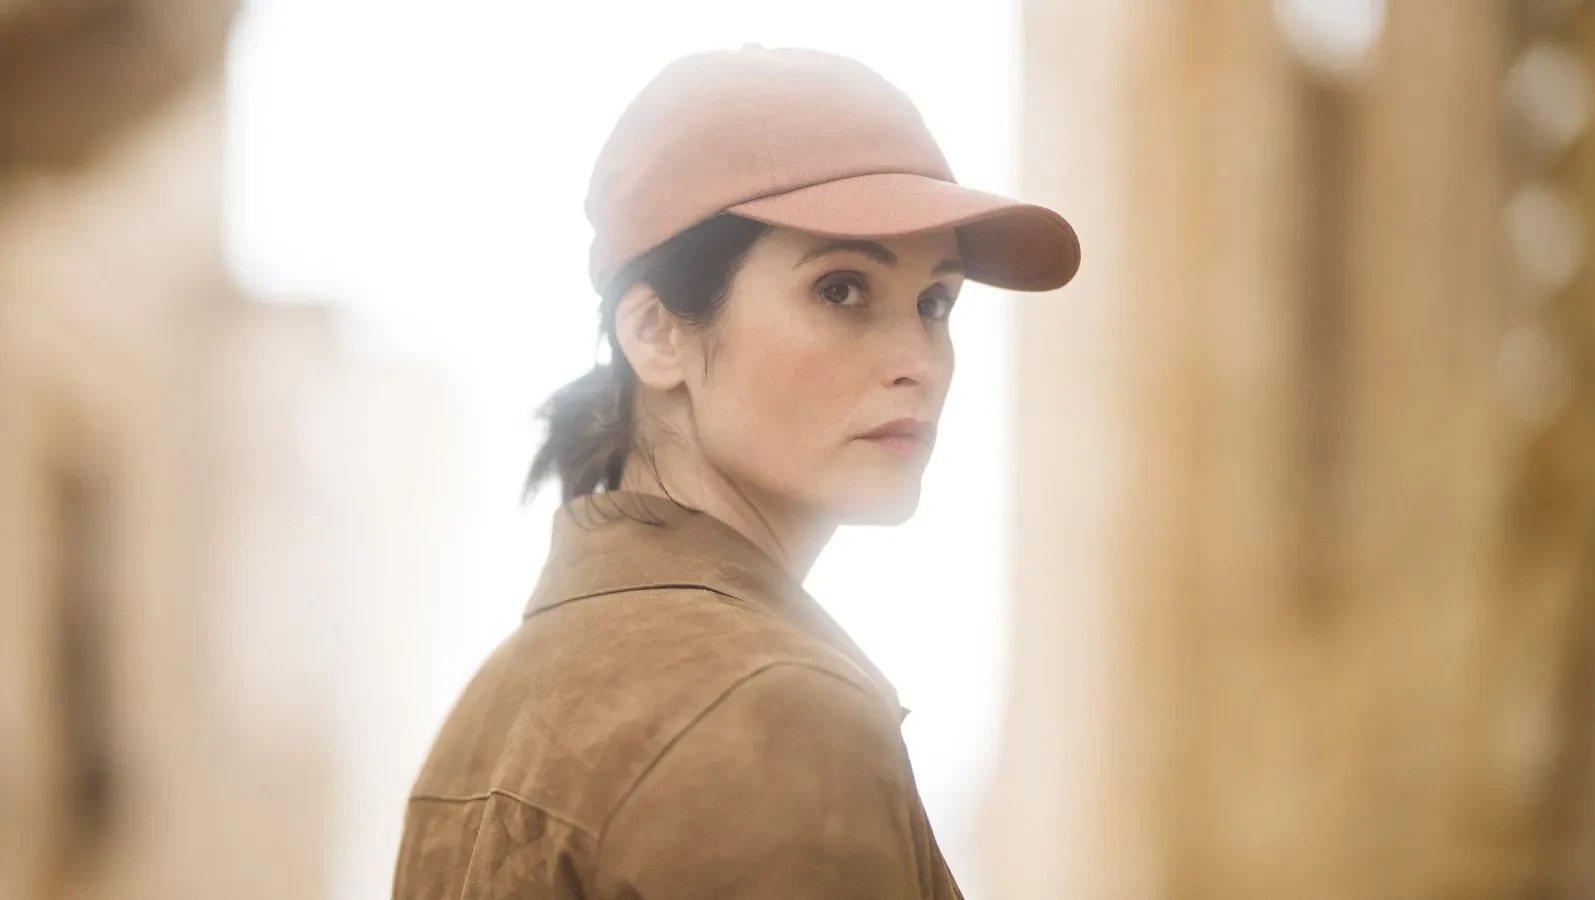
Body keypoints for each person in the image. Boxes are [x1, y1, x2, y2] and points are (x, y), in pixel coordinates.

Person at [392, 44, 1080, 900]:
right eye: (841, 289)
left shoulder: (500, 701)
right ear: (655, 333)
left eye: (935, 303)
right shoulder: (777, 711)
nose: (919, 361)